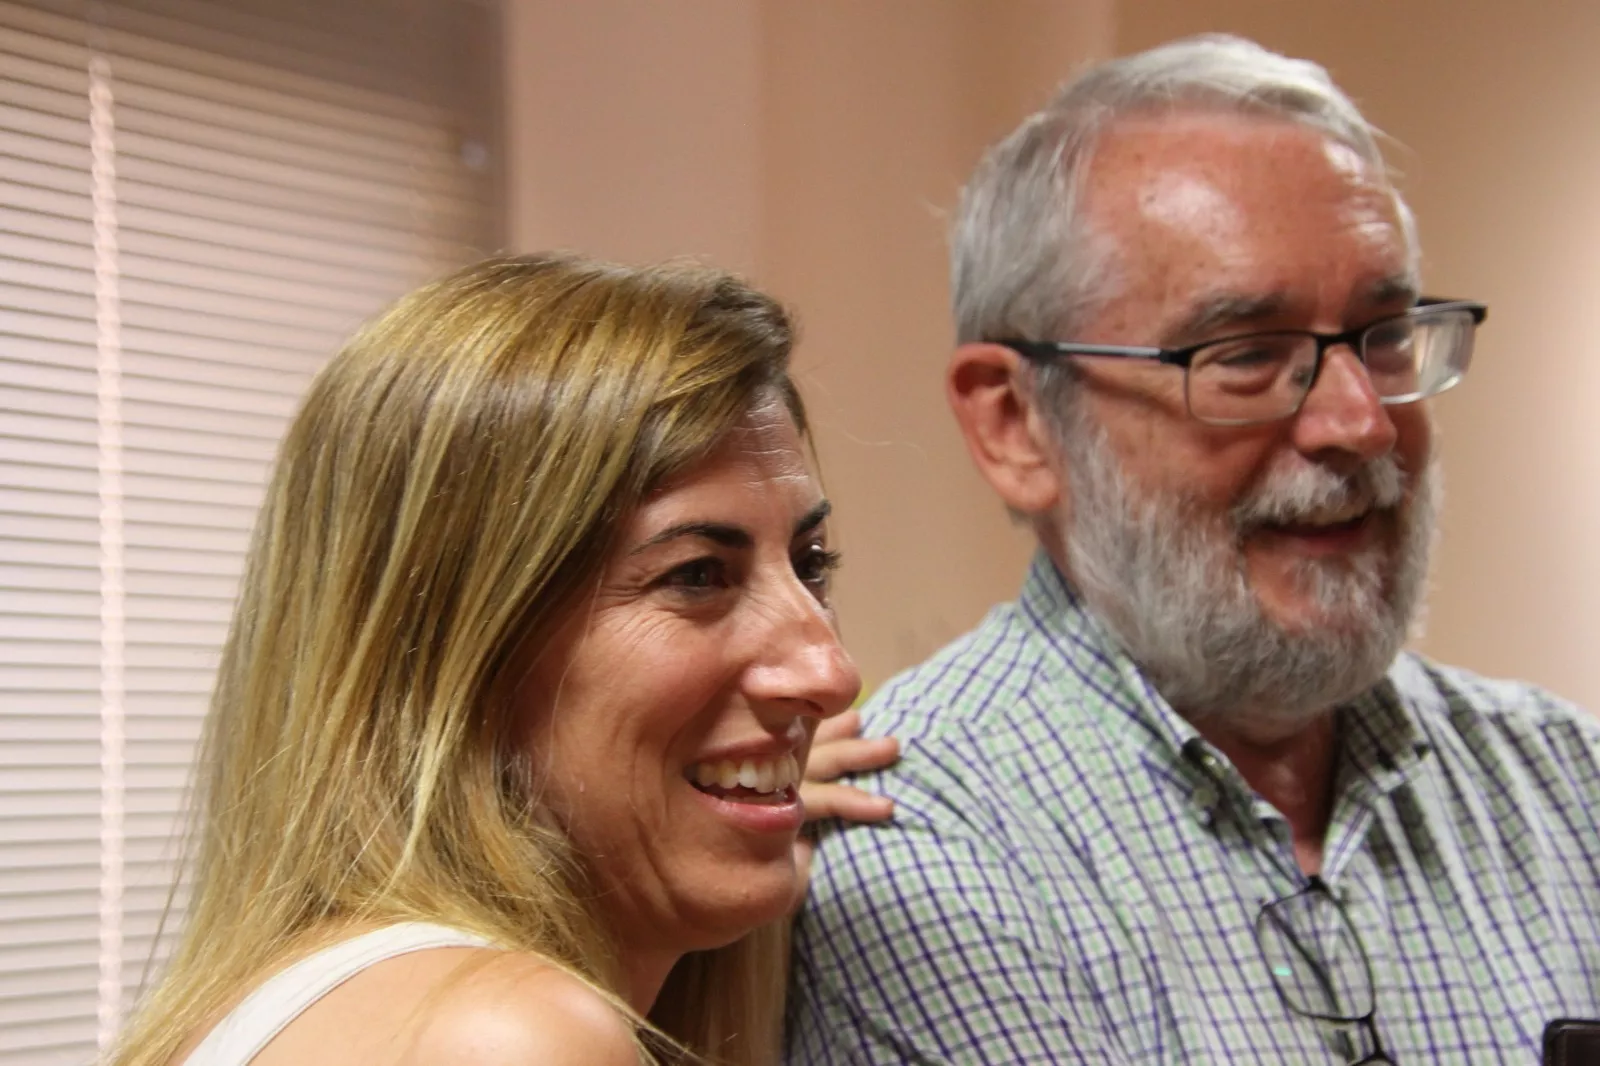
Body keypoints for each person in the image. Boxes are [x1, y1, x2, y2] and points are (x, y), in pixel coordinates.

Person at [787, 34, 1600, 1065]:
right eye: (1247, 356)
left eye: (1385, 336)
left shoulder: (1565, 786)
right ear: (1015, 423)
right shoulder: (921, 840)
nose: (1357, 422)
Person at [109, 253, 897, 1066]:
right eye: (696, 575)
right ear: (458, 647)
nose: (830, 673)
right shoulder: (503, 1037)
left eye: (811, 565)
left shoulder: (327, 1000)